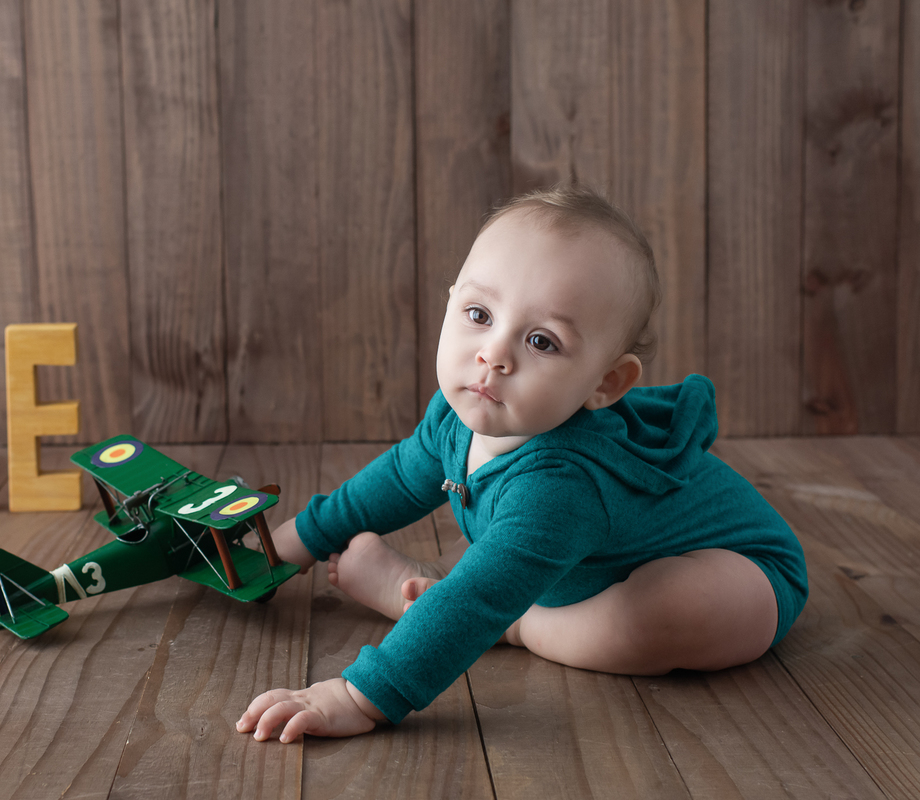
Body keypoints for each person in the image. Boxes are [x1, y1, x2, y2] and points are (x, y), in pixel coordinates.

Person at [235, 184, 808, 744]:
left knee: (671, 610)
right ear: (451, 301)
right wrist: (290, 545)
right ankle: (456, 591)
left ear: (606, 383)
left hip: (746, 572)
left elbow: (479, 597)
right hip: (568, 564)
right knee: (502, 555)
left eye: (541, 342)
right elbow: (392, 483)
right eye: (479, 314)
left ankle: (516, 624)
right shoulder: (458, 417)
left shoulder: (563, 486)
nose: (494, 354)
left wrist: (359, 696)